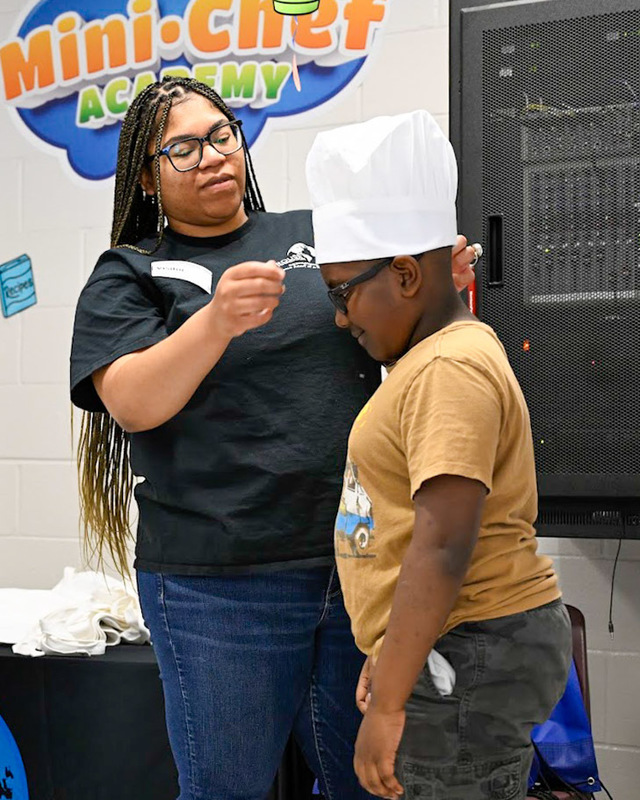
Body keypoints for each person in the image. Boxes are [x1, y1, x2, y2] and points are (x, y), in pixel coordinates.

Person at [69, 77, 477, 800]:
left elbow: (399, 344)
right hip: (217, 590)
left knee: (379, 782)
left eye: (221, 134)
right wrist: (214, 322)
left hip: (356, 569)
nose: (214, 156)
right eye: (183, 149)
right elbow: (131, 403)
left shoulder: (318, 234)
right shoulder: (131, 272)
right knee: (228, 787)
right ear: (147, 176)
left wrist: (435, 294)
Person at [305, 110, 573, 800]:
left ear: (404, 275)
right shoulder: (434, 359)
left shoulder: (449, 367)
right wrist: (393, 653)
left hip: (471, 647)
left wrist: (392, 702)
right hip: (449, 645)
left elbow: (445, 541)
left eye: (343, 292)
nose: (341, 316)